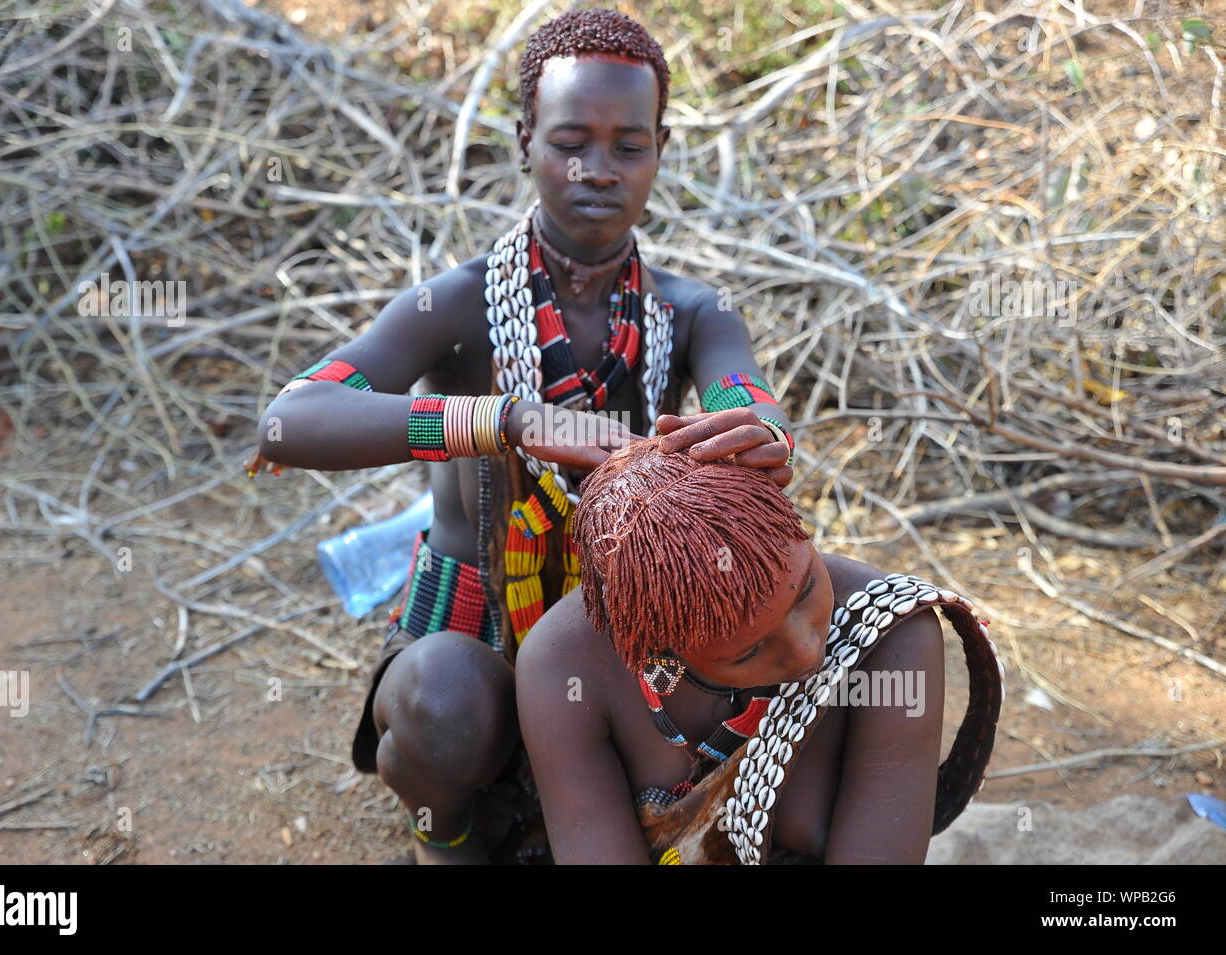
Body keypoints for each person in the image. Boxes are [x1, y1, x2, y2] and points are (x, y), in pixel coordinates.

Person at [246, 8, 798, 863]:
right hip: (476, 627)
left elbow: (747, 397)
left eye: (629, 145)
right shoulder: (458, 307)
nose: (598, 171)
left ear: (660, 149)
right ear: (524, 142)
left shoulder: (693, 311)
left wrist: (758, 433)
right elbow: (290, 418)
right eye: (571, 140)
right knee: (446, 707)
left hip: (624, 620)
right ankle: (451, 835)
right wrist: (501, 419)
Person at [515, 437, 1004, 864]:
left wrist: (769, 429)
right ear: (655, 647)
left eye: (808, 588)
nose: (809, 651)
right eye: (748, 652)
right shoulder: (563, 666)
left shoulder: (889, 634)